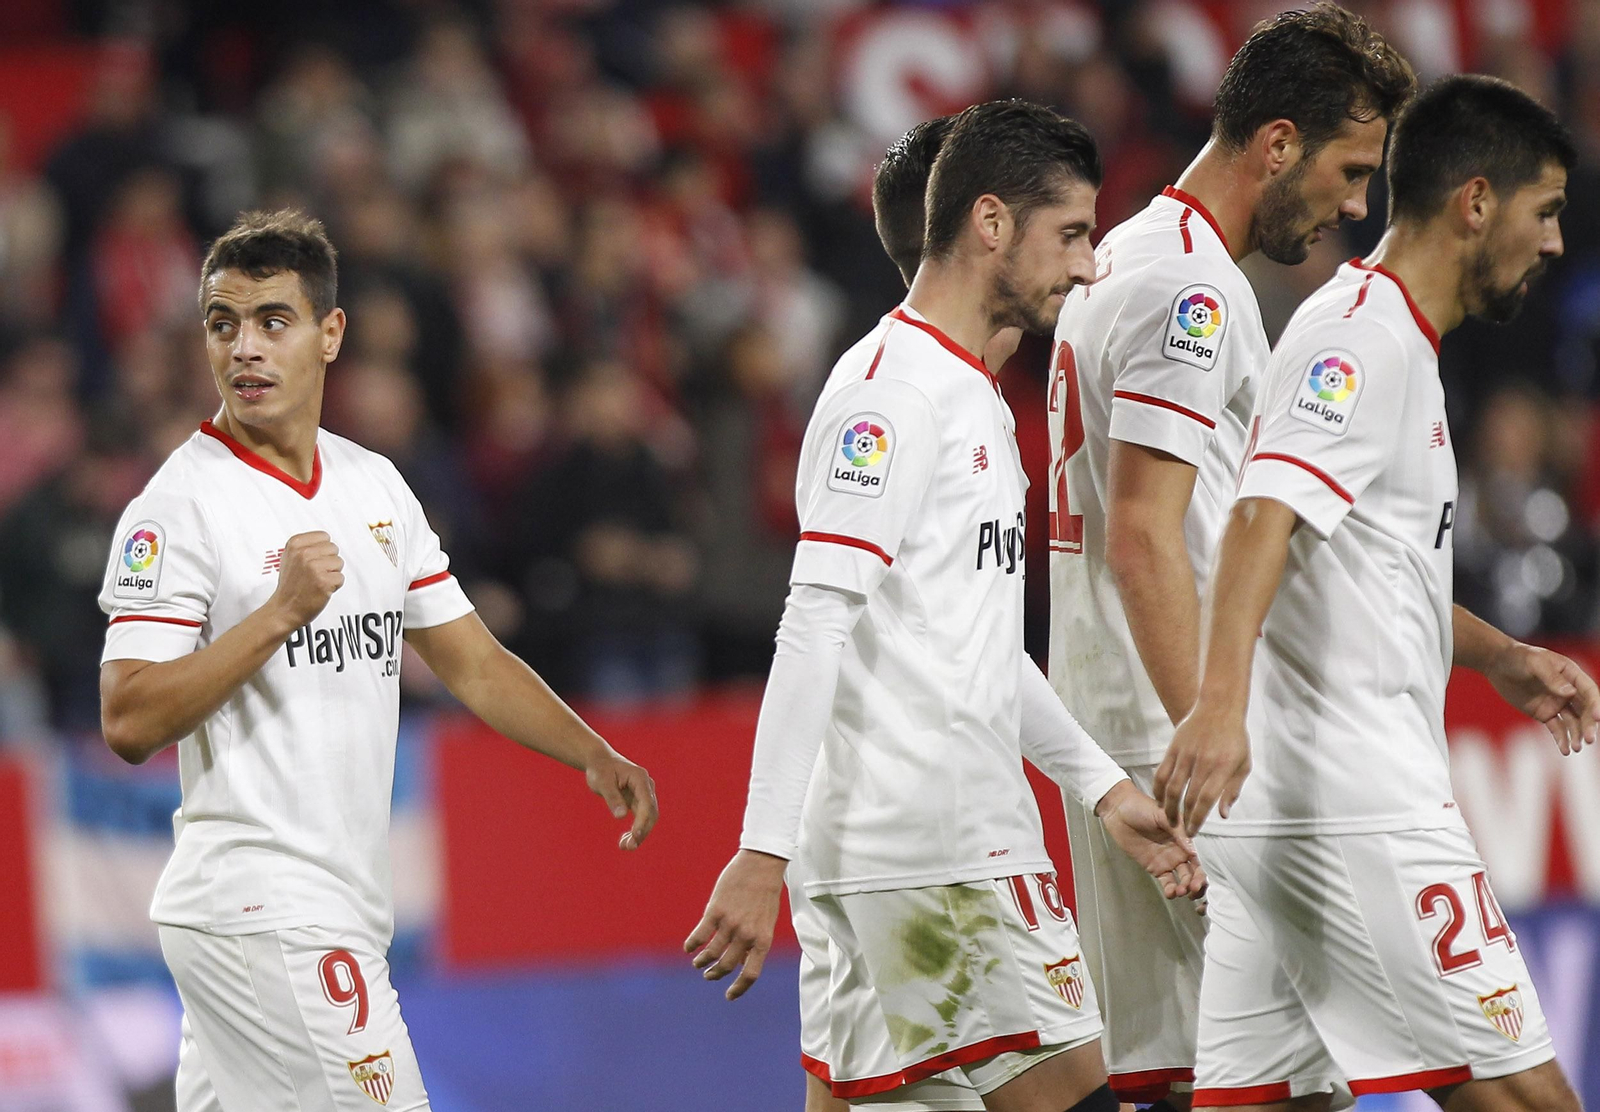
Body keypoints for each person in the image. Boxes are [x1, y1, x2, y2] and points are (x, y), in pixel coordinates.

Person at [686, 100, 1202, 1112]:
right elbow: (814, 623)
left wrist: (1104, 791)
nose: (1088, 265)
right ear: (991, 222)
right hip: (936, 853)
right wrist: (760, 848)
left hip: (904, 854)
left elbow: (977, 648)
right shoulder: (891, 395)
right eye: (1071, 233)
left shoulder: (968, 396)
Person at [97, 209, 658, 1112]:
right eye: (222, 323)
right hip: (265, 906)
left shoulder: (373, 486)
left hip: (330, 905)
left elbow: (473, 662)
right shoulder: (179, 508)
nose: (245, 347)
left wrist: (589, 750)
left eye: (272, 321)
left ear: (330, 334)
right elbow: (127, 716)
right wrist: (278, 615)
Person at [1158, 75, 1596, 1108]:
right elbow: (1259, 517)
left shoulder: (1386, 339)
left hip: (1286, 812)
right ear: (1475, 201)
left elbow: (1359, 569)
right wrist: (1216, 705)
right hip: (1359, 801)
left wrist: (1501, 655)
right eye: (1543, 211)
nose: (1552, 243)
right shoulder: (1363, 339)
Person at [1046, 7, 1414, 1106]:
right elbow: (1144, 535)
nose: (1357, 206)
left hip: (1132, 731)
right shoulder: (1190, 292)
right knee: (1290, 1086)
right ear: (1279, 144)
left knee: (1189, 1077)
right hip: (1181, 749)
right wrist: (1210, 741)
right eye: (1352, 172)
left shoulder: (1131, 254)